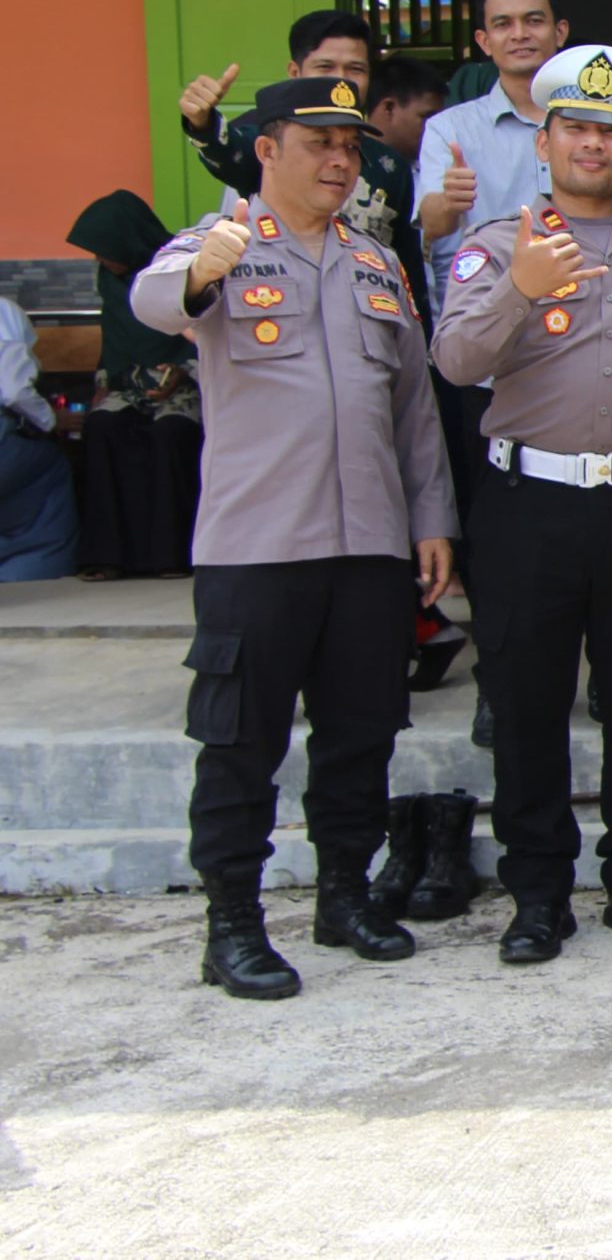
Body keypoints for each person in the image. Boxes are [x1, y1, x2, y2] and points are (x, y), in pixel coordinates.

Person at [133, 76, 458, 1001]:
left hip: (366, 547)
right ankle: (231, 921)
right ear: (266, 150)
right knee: (241, 742)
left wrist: (431, 520)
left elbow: (412, 411)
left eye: (349, 146)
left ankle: (345, 895)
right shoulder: (221, 241)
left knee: (362, 732)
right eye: (318, 143)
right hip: (258, 548)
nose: (339, 160)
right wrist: (205, 268)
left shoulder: (375, 263)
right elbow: (154, 303)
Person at [430, 46, 612, 965]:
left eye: (611, 130)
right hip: (526, 504)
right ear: (543, 141)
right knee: (529, 708)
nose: (593, 142)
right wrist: (518, 291)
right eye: (575, 126)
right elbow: (457, 363)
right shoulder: (496, 246)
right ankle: (537, 894)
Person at [415, 0, 612, 306]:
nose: (519, 34)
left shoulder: (608, 131)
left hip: (596, 316)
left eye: (533, 21)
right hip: (497, 314)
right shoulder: (451, 129)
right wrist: (448, 202)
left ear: (560, 31)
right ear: (484, 41)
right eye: (503, 24)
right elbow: (432, 224)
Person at [178, 11, 426, 314]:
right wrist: (202, 122)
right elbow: (229, 152)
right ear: (295, 72)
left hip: (366, 316)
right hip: (275, 310)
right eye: (325, 66)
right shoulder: (270, 141)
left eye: (356, 68)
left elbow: (408, 270)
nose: (341, 79)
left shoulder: (390, 165)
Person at [64, 191, 202, 580]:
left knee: (170, 433)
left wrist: (181, 371)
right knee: (102, 426)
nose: (101, 259)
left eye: (106, 249)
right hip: (129, 382)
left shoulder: (176, 268)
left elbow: (204, 327)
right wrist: (104, 381)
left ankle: (171, 556)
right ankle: (107, 557)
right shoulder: (110, 279)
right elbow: (114, 336)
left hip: (186, 382)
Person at [0, 296, 77, 581]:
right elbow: (14, 389)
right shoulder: (3, 312)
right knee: (49, 468)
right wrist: (51, 419)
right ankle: (36, 566)